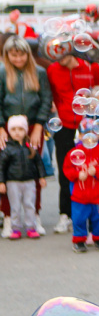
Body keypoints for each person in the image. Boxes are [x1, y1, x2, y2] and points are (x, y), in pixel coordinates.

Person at [47, 51, 99, 234]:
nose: (59, 55)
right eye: (55, 52)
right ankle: (65, 214)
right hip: (64, 126)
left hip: (90, 127)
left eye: (63, 50)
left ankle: (96, 216)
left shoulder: (91, 67)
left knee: (95, 169)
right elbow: (50, 94)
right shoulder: (52, 70)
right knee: (67, 170)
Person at [0, 37, 52, 237]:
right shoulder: (3, 73)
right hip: (8, 128)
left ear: (27, 54)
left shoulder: (39, 73)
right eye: (13, 54)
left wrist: (39, 125)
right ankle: (8, 218)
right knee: (7, 172)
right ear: (7, 55)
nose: (18, 58)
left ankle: (34, 216)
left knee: (33, 172)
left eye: (21, 54)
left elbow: (46, 99)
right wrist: (1, 127)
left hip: (32, 126)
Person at [63, 124, 99, 254]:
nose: (89, 137)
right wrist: (77, 175)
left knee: (98, 219)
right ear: (79, 136)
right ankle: (79, 240)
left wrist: (96, 171)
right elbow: (67, 170)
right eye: (86, 133)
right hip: (79, 196)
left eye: (92, 133)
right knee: (78, 218)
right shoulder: (73, 153)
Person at [0, 115, 46, 239]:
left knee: (29, 204)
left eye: (20, 129)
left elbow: (39, 163)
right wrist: (2, 182)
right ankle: (15, 228)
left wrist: (42, 177)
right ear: (9, 131)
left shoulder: (30, 146)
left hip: (29, 181)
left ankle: (31, 227)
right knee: (14, 206)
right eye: (13, 129)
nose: (17, 132)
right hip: (12, 182)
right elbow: (1, 167)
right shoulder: (7, 148)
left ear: (25, 130)